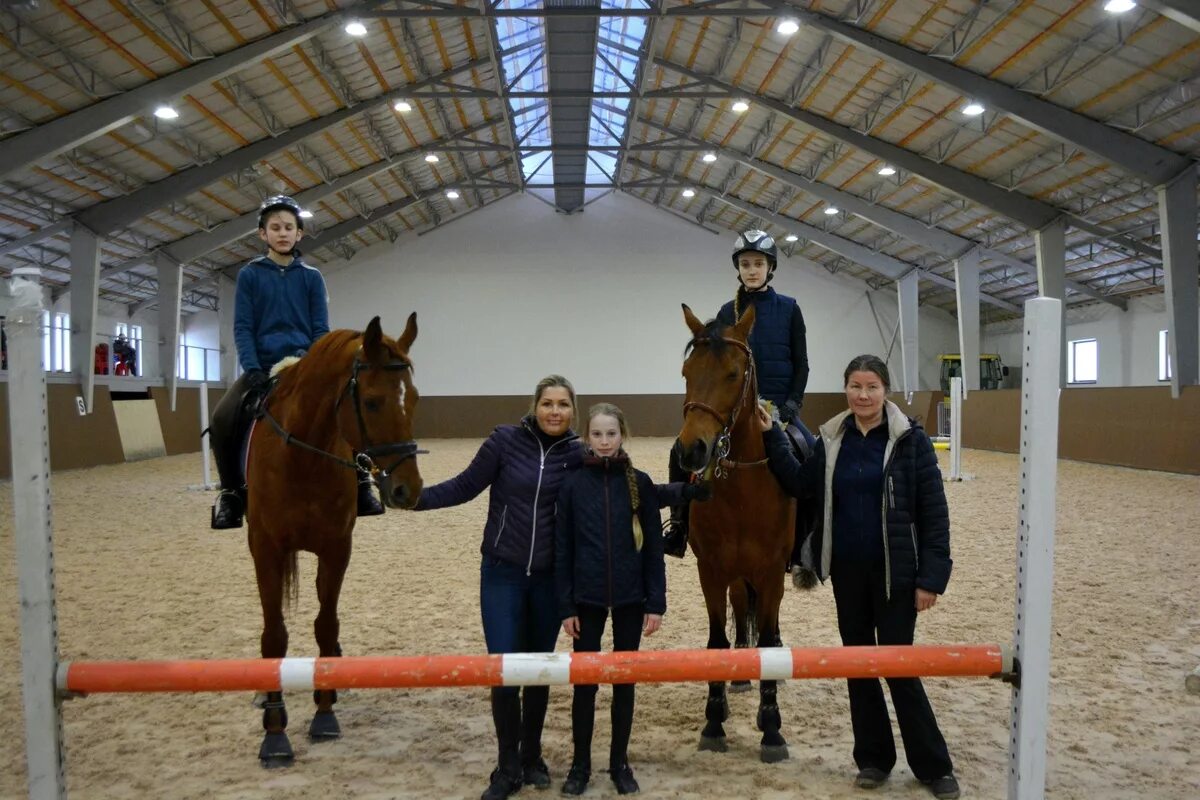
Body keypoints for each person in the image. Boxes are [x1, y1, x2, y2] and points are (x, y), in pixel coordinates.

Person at [755, 354, 960, 800]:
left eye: (871, 387)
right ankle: (872, 758)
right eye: (855, 386)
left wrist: (932, 578)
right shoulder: (832, 439)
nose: (863, 395)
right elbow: (798, 482)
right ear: (845, 389)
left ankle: (933, 765)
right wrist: (772, 434)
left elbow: (934, 516)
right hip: (847, 573)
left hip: (897, 577)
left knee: (899, 667)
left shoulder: (911, 441)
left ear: (885, 390)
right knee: (859, 665)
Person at [412, 376, 582, 800]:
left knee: (539, 671)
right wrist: (415, 499)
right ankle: (507, 765)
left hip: (550, 581)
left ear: (573, 410)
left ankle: (532, 755)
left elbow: (620, 490)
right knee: (504, 670)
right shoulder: (504, 442)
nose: (554, 411)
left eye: (562, 404)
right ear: (534, 406)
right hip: (502, 575)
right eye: (547, 403)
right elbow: (465, 486)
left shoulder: (579, 455)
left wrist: (682, 492)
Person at [208, 195, 384, 530]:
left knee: (352, 403)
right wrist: (253, 367)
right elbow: (243, 327)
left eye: (289, 227)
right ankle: (230, 492)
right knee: (222, 418)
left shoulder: (312, 277)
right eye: (275, 227)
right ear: (263, 234)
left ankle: (361, 478)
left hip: (306, 364)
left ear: (300, 234)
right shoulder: (249, 276)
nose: (283, 233)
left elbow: (320, 328)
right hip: (263, 366)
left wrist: (317, 365)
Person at [664, 229, 813, 564]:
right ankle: (679, 527)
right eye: (745, 264)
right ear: (739, 268)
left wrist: (790, 407)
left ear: (770, 267)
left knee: (810, 450)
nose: (752, 270)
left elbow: (801, 364)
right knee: (679, 453)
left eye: (758, 263)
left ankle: (806, 541)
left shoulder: (789, 309)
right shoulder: (726, 311)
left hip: (778, 408)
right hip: (734, 409)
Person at [554, 403, 666, 797]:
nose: (604, 442)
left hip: (632, 601)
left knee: (624, 682)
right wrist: (565, 606)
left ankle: (620, 762)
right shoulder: (571, 486)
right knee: (584, 684)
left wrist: (656, 602)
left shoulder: (641, 483)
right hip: (585, 601)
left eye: (611, 434)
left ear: (622, 436)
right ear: (587, 437)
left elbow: (653, 549)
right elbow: (562, 551)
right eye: (597, 435)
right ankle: (580, 764)